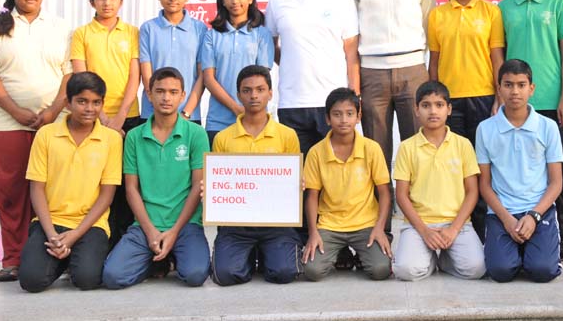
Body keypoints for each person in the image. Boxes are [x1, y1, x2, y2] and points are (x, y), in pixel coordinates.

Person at [0, 0, 73, 282]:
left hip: (53, 124)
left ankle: (52, 258)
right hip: (5, 125)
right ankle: (14, 258)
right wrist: (15, 111)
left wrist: (54, 110)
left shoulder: (59, 27)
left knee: (54, 194)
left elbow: (68, 74)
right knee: (12, 195)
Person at [342, 0, 435, 236]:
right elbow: (349, 34)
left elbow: (428, 22)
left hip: (413, 70)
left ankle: (418, 225)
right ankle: (381, 228)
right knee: (377, 153)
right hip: (372, 72)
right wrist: (353, 83)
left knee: (417, 148)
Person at [498, 0, 563, 261]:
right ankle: (516, 228)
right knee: (519, 170)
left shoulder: (558, 4)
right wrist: (498, 96)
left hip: (550, 100)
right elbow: (499, 56)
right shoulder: (504, 7)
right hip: (515, 101)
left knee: (560, 170)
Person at [102, 67, 211, 289]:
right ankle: (154, 261)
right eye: (160, 91)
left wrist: (173, 232)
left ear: (182, 96)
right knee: (113, 277)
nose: (166, 97)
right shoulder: (134, 136)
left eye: (173, 92)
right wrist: (151, 230)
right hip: (145, 224)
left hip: (185, 224)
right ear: (149, 94)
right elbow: (131, 189)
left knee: (195, 275)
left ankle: (170, 254)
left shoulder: (196, 134)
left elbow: (197, 188)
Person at [18, 72, 123, 292]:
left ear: (102, 104)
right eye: (82, 101)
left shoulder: (111, 139)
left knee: (86, 280)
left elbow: (107, 195)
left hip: (90, 224)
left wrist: (75, 235)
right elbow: (36, 189)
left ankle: (72, 255)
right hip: (51, 222)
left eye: (96, 103)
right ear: (68, 103)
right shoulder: (46, 135)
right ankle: (62, 256)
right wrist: (52, 236)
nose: (89, 109)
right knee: (31, 281)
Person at [427, 0, 504, 240]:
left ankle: (486, 232)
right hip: (450, 103)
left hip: (484, 98)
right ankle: (458, 231)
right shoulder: (437, 15)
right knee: (455, 168)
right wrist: (435, 101)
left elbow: (497, 56)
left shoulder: (490, 12)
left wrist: (499, 96)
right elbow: (434, 61)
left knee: (482, 167)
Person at [266, 0, 360, 155]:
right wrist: (291, 59)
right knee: (298, 177)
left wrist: (355, 97)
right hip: (291, 103)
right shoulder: (278, 0)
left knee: (335, 174)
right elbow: (270, 46)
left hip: (333, 103)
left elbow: (351, 53)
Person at [210, 65, 302, 286]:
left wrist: (297, 183)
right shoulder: (223, 138)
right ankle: (248, 257)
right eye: (247, 90)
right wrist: (212, 189)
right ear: (239, 94)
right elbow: (218, 182)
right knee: (225, 275)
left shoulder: (287, 135)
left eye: (260, 89)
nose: (254, 95)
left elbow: (294, 183)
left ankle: (266, 253)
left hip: (276, 224)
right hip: (236, 226)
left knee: (284, 273)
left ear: (270, 93)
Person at [477, 59, 563, 283]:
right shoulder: (485, 129)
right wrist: (505, 218)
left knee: (542, 271)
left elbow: (556, 183)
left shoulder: (547, 126)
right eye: (508, 84)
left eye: (521, 84)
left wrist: (534, 216)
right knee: (501, 272)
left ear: (531, 89)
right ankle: (518, 252)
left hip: (538, 210)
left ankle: (541, 250)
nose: (515, 91)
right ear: (499, 88)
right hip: (501, 213)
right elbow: (484, 184)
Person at [70, 0, 140, 247]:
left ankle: (125, 245)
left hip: (128, 119)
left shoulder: (132, 32)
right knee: (96, 181)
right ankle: (98, 243)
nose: (107, 2)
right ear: (92, 2)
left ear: (121, 1)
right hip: (92, 118)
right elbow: (81, 75)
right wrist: (102, 117)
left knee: (125, 182)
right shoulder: (82, 34)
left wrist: (120, 116)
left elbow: (135, 76)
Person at [392, 81, 486, 281]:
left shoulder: (463, 144)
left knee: (477, 268)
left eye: (439, 105)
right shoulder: (407, 147)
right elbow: (401, 195)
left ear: (449, 109)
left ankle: (444, 260)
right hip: (419, 224)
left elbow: (472, 191)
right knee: (405, 270)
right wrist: (424, 231)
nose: (433, 111)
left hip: (457, 223)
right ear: (416, 110)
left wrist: (453, 229)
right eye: (426, 105)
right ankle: (429, 259)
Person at [301, 88, 391, 281]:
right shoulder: (316, 152)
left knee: (380, 270)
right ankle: (341, 252)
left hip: (365, 224)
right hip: (330, 225)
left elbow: (384, 192)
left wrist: (379, 228)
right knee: (312, 271)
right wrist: (313, 232)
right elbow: (312, 195)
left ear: (358, 117)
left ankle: (359, 254)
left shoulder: (371, 148)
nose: (343, 120)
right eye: (337, 114)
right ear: (327, 118)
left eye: (350, 114)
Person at [201, 0, 275, 146]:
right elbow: (209, 79)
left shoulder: (262, 34)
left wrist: (246, 110)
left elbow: (263, 78)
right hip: (218, 121)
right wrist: (236, 108)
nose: (235, 0)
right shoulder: (211, 35)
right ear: (223, 0)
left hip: (254, 120)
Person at [139, 0, 208, 127]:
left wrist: (187, 113)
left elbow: (202, 76)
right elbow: (147, 73)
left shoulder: (200, 29)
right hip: (153, 114)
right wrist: (159, 109)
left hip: (189, 116)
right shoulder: (148, 29)